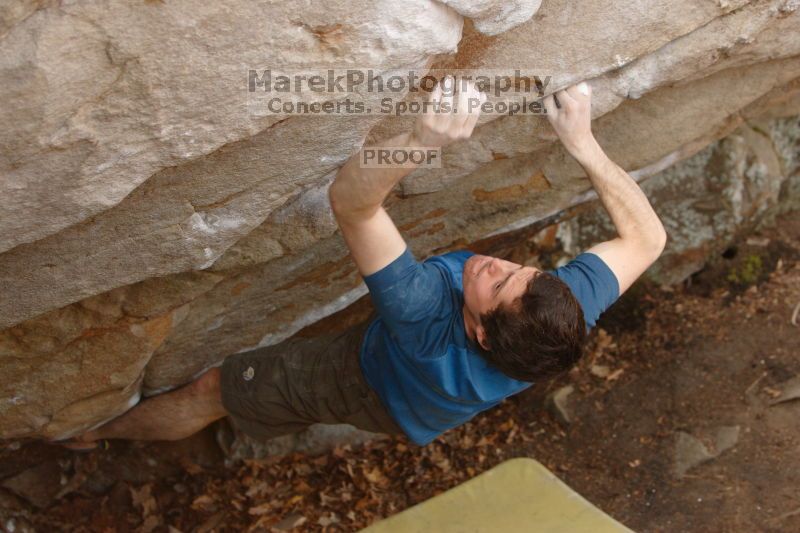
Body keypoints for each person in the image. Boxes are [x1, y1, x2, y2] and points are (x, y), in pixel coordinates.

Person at [61, 78, 666, 450]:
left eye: (497, 283)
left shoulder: (424, 320)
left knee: (215, 387)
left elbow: (350, 202)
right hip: (428, 409)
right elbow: (648, 238)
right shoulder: (560, 307)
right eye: (526, 270)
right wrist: (583, 142)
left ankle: (95, 434)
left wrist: (422, 140)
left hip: (369, 383)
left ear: (480, 331)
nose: (492, 263)